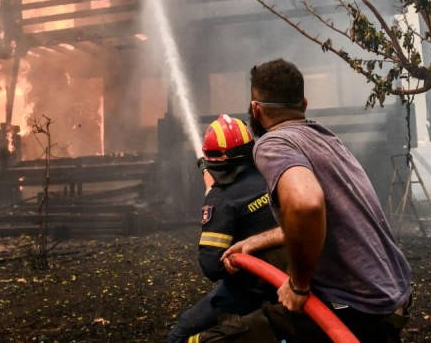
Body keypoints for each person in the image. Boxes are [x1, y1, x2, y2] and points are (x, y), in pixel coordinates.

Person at [199, 59, 412, 343]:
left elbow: (306, 206)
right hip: (394, 296)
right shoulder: (325, 138)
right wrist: (254, 242)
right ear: (305, 104)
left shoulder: (274, 143)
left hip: (356, 310)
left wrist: (298, 286)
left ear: (255, 109)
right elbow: (325, 217)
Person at [167, 114, 286, 343]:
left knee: (180, 335)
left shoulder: (221, 199)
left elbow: (211, 266)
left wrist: (213, 200)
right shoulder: (274, 174)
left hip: (251, 290)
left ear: (214, 159)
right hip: (292, 280)